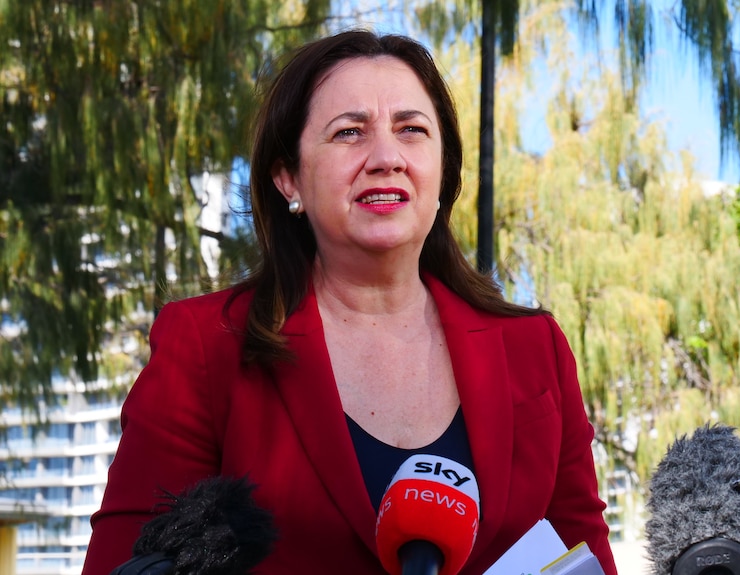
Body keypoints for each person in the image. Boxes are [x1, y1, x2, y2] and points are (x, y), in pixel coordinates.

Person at [82, 29, 618, 575]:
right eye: (349, 133)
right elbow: (124, 562)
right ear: (288, 178)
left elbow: (584, 556)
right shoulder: (206, 345)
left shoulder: (535, 348)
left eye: (412, 130)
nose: (386, 156)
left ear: (442, 171)